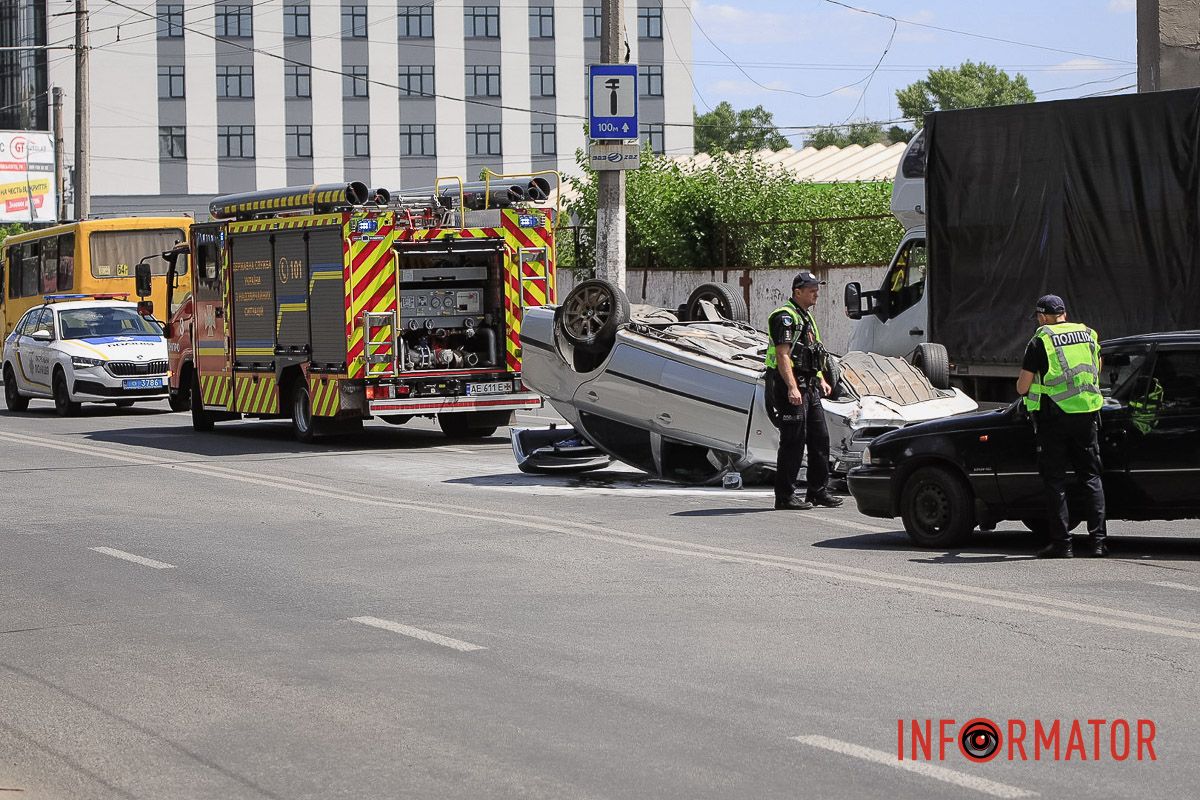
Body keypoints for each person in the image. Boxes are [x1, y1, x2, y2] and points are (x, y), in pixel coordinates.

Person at [1016, 294, 1106, 558]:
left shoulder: (1041, 339)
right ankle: (1099, 542)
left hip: (1054, 418)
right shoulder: (1088, 334)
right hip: (1087, 414)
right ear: (1064, 313)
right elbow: (1096, 368)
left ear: (1043, 316)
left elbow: (1023, 386)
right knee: (1091, 477)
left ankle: (1062, 544)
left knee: (1055, 481)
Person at [765, 270, 843, 511]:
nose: (816, 294)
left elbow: (812, 352)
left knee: (820, 439)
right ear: (797, 292)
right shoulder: (785, 317)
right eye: (811, 290)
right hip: (791, 384)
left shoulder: (805, 317)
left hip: (809, 386)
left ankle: (817, 491)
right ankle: (785, 496)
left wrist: (820, 378)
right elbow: (782, 355)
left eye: (817, 290)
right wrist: (791, 387)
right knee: (793, 441)